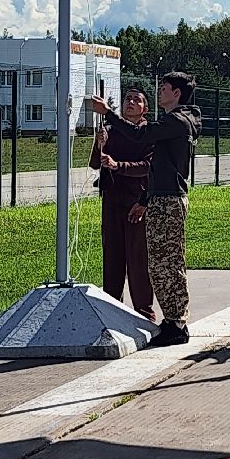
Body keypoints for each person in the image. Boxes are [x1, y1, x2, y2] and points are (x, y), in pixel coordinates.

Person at [87, 71, 202, 348]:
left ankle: (176, 323)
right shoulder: (174, 122)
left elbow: (141, 135)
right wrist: (148, 198)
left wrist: (109, 113)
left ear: (177, 93)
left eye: (164, 88)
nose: (159, 91)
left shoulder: (177, 121)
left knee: (167, 264)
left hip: (169, 200)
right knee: (159, 264)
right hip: (157, 198)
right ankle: (172, 320)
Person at [89, 85, 155, 320]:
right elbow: (95, 164)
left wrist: (119, 166)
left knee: (138, 258)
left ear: (145, 109)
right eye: (127, 98)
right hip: (112, 199)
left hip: (138, 201)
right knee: (113, 256)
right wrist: (99, 145)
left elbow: (149, 167)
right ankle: (112, 308)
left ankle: (144, 313)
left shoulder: (149, 133)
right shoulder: (109, 130)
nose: (131, 102)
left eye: (137, 100)